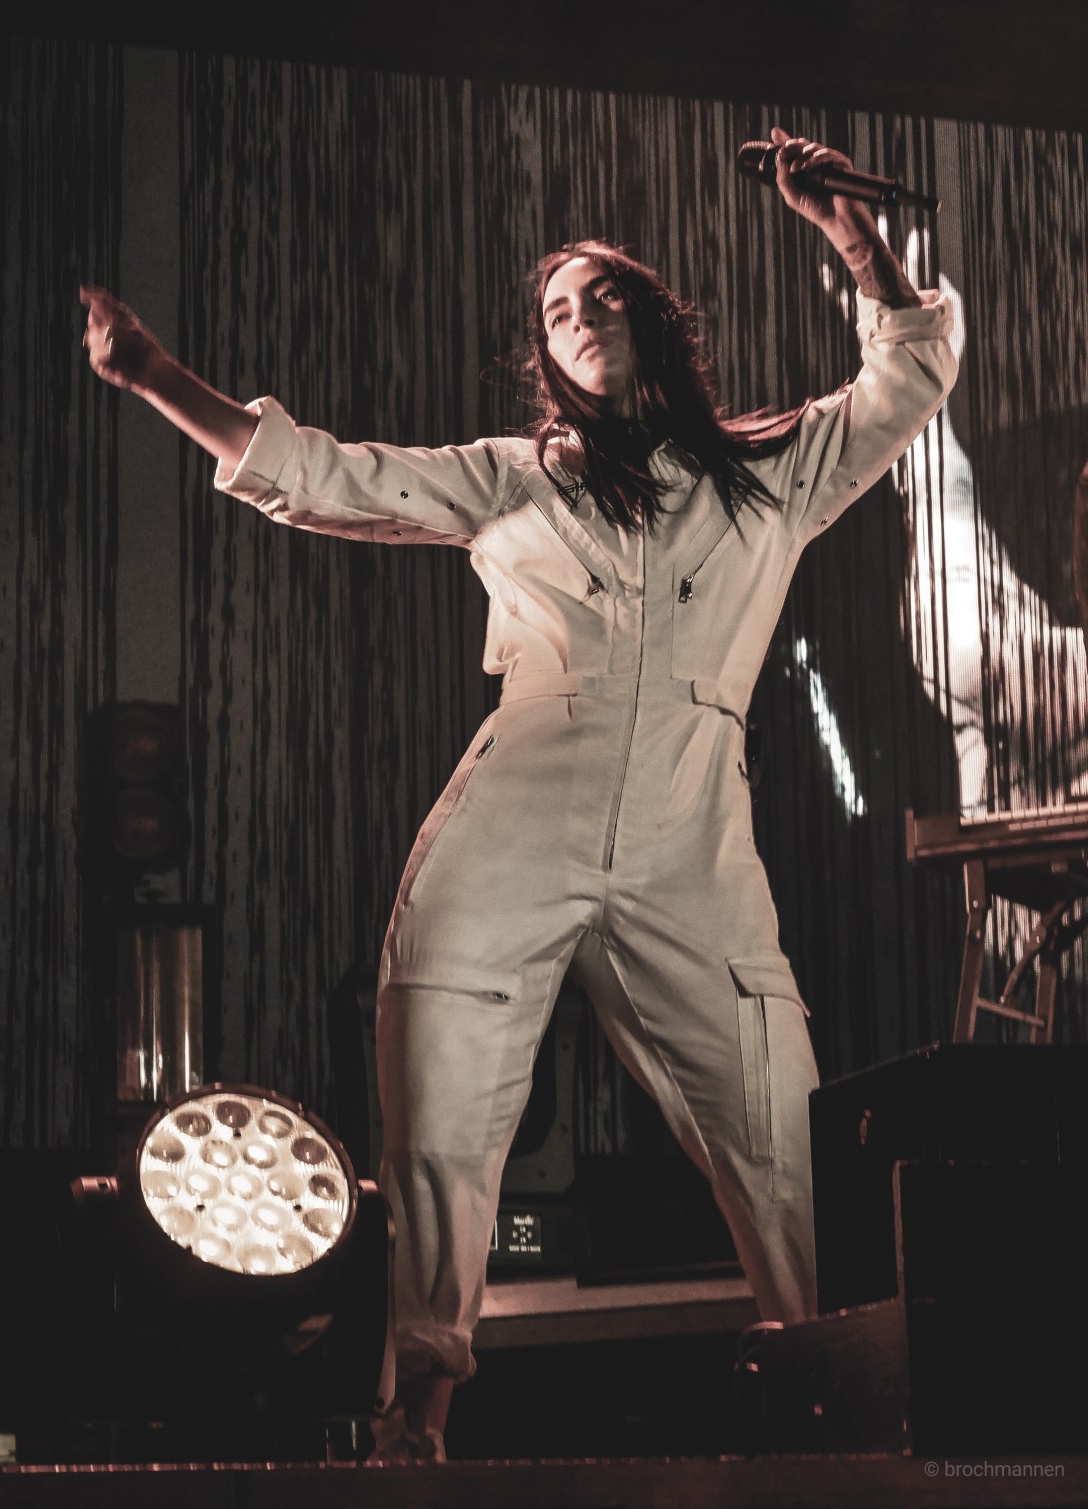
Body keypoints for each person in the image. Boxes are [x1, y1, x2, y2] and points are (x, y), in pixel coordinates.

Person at [82, 125, 958, 1462]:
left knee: (780, 1123)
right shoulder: (513, 479)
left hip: (691, 836)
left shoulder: (767, 470)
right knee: (441, 1096)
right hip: (517, 812)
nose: (581, 314)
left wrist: (849, 233)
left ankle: (848, 1412)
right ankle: (418, 1415)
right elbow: (323, 477)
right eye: (557, 310)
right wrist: (154, 375)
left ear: (649, 319)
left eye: (604, 294)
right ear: (545, 358)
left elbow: (908, 377)